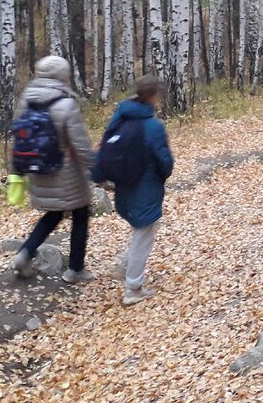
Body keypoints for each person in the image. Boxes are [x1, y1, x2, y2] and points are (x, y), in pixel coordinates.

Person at [12, 55, 97, 284]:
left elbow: (19, 136)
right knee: (80, 214)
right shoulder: (66, 103)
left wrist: (17, 171)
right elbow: (79, 144)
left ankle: (25, 252)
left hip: (36, 168)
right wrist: (98, 169)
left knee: (54, 213)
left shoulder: (26, 98)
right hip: (66, 170)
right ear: (62, 76)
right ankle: (76, 270)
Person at [94, 74, 174, 306]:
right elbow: (164, 161)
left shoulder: (120, 116)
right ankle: (133, 287)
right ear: (154, 96)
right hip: (145, 186)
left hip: (123, 184)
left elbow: (105, 144)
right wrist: (162, 176)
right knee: (144, 233)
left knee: (142, 228)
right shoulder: (153, 126)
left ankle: (126, 265)